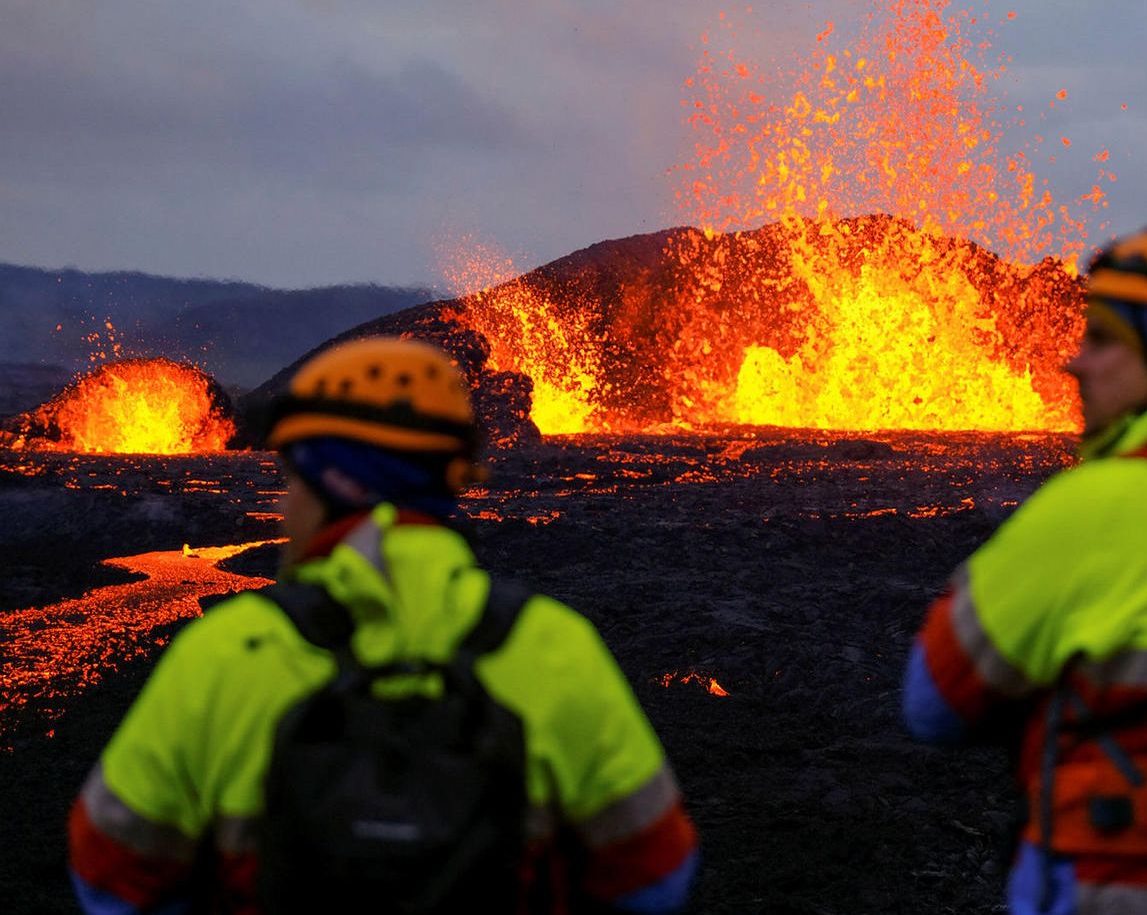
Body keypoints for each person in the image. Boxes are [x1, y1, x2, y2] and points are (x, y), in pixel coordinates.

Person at [69, 337, 698, 915]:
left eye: (293, 480)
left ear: (333, 482)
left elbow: (109, 871)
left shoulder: (229, 651)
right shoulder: (553, 646)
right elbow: (656, 875)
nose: (286, 505)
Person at [902, 229, 1147, 914]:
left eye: (1103, 339)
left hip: (1123, 880)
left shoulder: (1102, 501)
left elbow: (932, 704)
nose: (1076, 365)